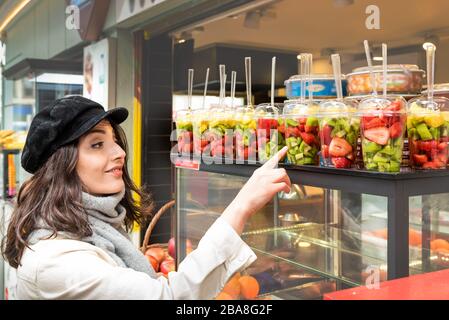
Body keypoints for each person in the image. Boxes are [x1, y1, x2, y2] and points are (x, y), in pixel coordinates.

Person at [1, 96, 291, 300]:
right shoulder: (58, 261)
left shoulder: (90, 227)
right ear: (60, 165)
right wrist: (242, 205)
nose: (119, 153)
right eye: (97, 144)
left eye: (115, 141)